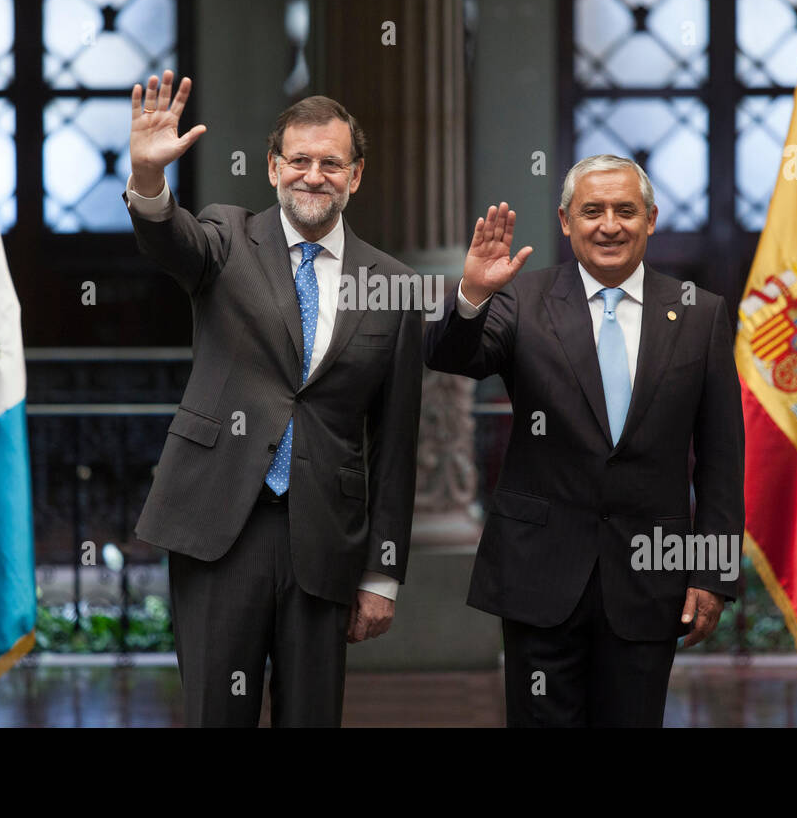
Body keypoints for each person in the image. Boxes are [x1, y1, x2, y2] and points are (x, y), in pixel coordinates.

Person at [122, 71, 423, 726]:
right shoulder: (226, 237)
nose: (313, 175)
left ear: (356, 176)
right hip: (218, 527)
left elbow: (396, 443)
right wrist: (147, 180)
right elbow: (168, 239)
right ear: (272, 167)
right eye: (299, 161)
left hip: (323, 539)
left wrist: (382, 572)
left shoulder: (391, 284)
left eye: (331, 163)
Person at [424, 154, 744, 727]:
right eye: (591, 211)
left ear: (650, 218)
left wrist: (712, 571)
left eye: (626, 210)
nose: (609, 224)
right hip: (538, 574)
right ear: (566, 222)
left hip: (652, 576)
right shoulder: (521, 299)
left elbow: (721, 456)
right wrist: (471, 297)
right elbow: (456, 356)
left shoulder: (700, 313)